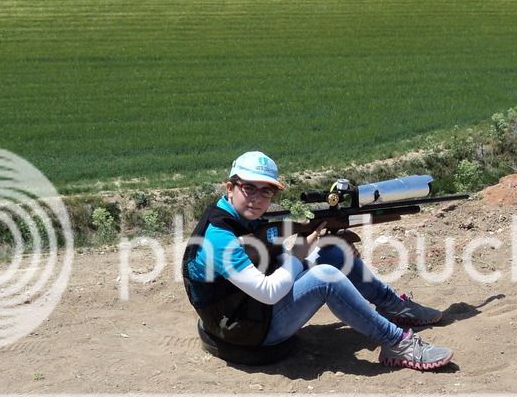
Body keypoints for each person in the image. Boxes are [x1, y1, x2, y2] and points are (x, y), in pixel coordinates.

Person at [183, 151, 455, 370]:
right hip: (244, 330)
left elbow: (270, 245)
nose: (257, 198)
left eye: (266, 191)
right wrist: (297, 255)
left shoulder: (239, 217)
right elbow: (268, 292)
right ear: (230, 187)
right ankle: (397, 342)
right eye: (249, 188)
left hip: (248, 311)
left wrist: (323, 236)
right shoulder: (219, 236)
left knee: (333, 253)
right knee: (326, 277)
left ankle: (394, 307)